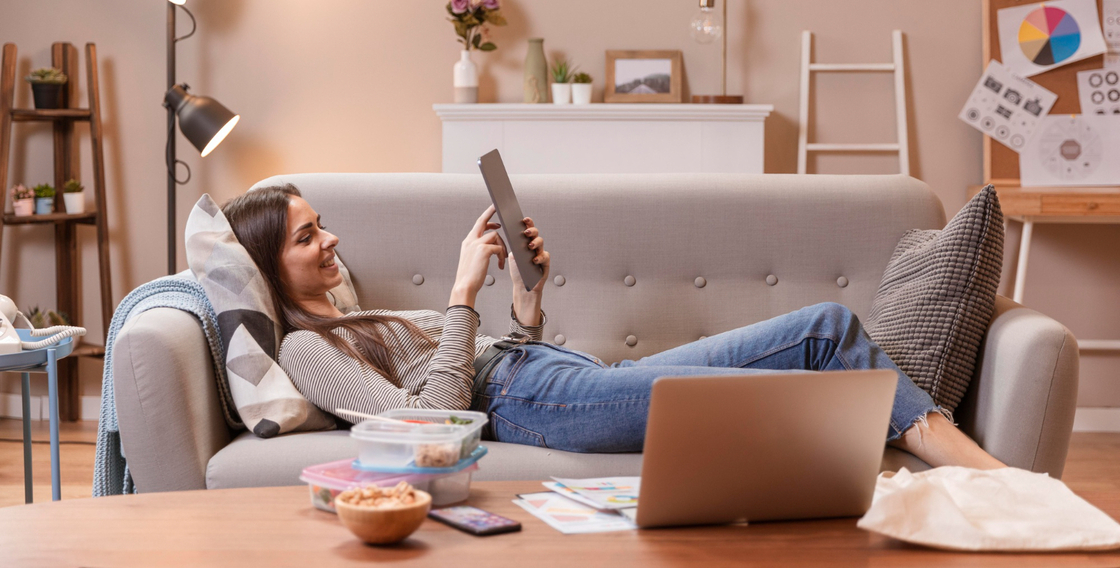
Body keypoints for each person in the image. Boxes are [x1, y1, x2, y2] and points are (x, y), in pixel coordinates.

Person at [221, 183, 1005, 469]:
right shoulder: (303, 345)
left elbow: (483, 361)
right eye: (305, 237)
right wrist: (463, 293)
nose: (329, 241)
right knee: (801, 380)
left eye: (320, 225)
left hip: (554, 375)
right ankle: (992, 485)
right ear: (269, 260)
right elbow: (425, 423)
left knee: (828, 329)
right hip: (531, 405)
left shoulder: (360, 313)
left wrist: (524, 302)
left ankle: (970, 471)